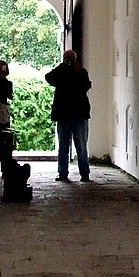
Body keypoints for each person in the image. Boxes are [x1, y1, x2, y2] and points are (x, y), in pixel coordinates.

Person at [44, 49, 91, 182]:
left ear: (76, 59)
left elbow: (86, 86)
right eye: (67, 59)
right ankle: (63, 173)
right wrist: (62, 67)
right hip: (63, 115)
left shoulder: (82, 72)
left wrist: (76, 72)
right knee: (63, 146)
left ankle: (85, 173)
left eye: (72, 59)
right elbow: (49, 77)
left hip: (79, 114)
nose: (70, 61)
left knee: (81, 145)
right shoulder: (60, 72)